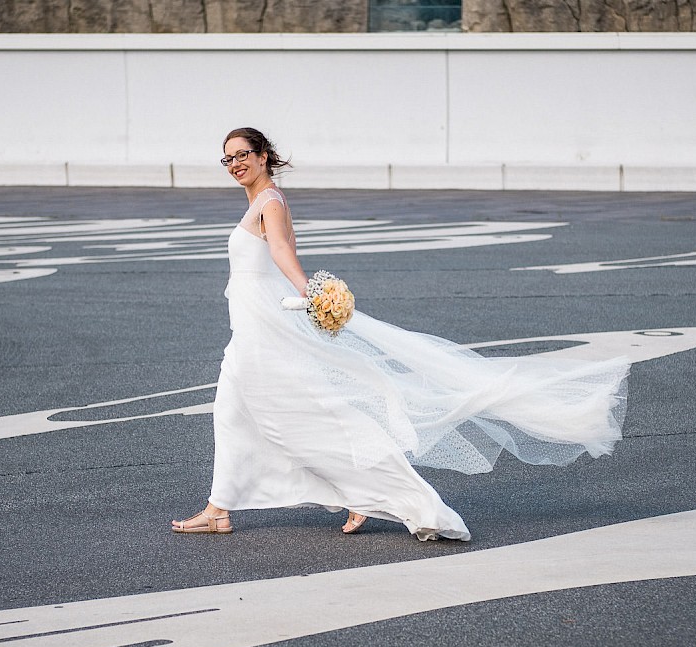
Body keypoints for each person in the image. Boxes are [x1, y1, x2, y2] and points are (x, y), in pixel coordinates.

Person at [171, 127, 629, 540]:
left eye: (243, 154)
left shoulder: (269, 201)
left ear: (264, 155)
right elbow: (280, 250)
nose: (235, 164)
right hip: (251, 322)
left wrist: (310, 291)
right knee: (232, 412)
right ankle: (220, 508)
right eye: (228, 158)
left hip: (262, 327)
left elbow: (282, 252)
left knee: (299, 415)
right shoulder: (264, 201)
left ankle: (389, 497)